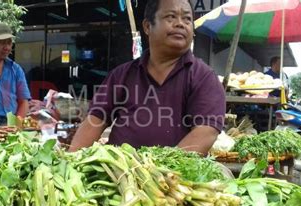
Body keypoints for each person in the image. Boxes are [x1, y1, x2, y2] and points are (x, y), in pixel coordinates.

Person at [69, 0, 225, 155]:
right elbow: (94, 121)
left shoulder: (203, 77)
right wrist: (71, 162)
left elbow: (206, 132)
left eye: (187, 19)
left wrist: (158, 172)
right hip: (119, 173)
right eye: (171, 17)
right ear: (147, 26)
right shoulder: (121, 75)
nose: (180, 24)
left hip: (173, 176)